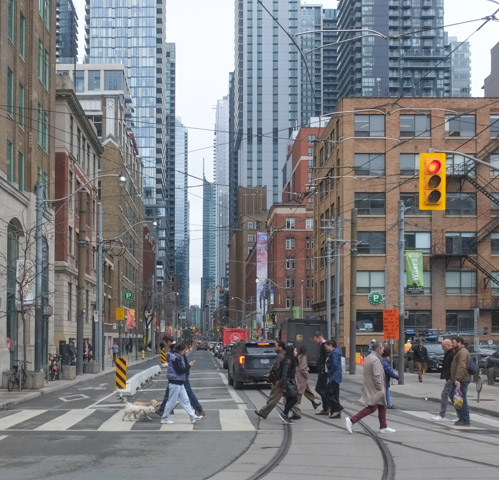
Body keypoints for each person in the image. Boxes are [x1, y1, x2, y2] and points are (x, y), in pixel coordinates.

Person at [345, 342, 396, 434]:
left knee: (382, 406)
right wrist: (380, 387)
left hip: (370, 386)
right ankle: (352, 420)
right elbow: (376, 375)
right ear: (378, 350)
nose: (383, 351)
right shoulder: (375, 360)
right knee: (372, 407)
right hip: (375, 388)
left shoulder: (369, 357)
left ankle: (383, 426)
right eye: (382, 349)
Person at [160, 343, 203, 425]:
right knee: (171, 401)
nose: (184, 352)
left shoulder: (179, 357)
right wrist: (189, 366)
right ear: (179, 351)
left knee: (186, 400)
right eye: (183, 351)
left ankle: (193, 417)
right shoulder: (175, 358)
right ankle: (164, 418)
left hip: (180, 382)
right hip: (175, 382)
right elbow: (180, 370)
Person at [254, 341, 292, 419]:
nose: (275, 348)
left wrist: (272, 375)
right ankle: (297, 413)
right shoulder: (284, 355)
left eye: (276, 346)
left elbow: (277, 368)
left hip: (279, 380)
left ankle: (263, 412)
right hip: (283, 379)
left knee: (274, 398)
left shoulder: (280, 356)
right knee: (290, 397)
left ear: (280, 347)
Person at [449, 336, 472, 426]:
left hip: (462, 379)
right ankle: (462, 417)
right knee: (455, 397)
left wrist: (457, 378)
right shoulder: (458, 352)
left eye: (453, 342)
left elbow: (461, 366)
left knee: (461, 399)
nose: (452, 344)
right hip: (458, 379)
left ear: (459, 343)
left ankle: (465, 419)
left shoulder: (462, 352)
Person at [294, 345, 321, 419]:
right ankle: (294, 407)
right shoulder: (304, 357)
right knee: (299, 392)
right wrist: (307, 373)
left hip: (299, 376)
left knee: (306, 390)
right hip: (302, 377)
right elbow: (303, 368)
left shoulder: (299, 356)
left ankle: (313, 402)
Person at [432, 339, 454, 421]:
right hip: (449, 377)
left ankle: (442, 414)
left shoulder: (452, 353)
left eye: (443, 346)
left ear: (449, 345)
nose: (442, 348)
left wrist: (451, 377)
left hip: (451, 377)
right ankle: (460, 415)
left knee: (445, 394)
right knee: (452, 396)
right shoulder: (448, 353)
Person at [279, 346, 299, 424]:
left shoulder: (291, 360)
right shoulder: (288, 361)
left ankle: (285, 414)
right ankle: (284, 413)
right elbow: (284, 373)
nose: (296, 352)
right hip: (288, 382)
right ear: (291, 352)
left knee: (290, 399)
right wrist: (284, 385)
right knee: (294, 399)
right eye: (295, 351)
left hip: (290, 381)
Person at [182, 349, 205, 416]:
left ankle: (199, 409)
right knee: (170, 394)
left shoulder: (176, 354)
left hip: (181, 376)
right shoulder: (177, 354)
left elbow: (181, 366)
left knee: (188, 392)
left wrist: (188, 366)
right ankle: (164, 409)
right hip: (178, 376)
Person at [325, 339, 343, 419]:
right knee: (335, 394)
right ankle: (335, 412)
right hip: (337, 375)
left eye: (327, 347)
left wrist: (330, 370)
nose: (326, 348)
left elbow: (334, 365)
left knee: (328, 393)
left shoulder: (334, 353)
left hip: (334, 376)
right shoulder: (336, 352)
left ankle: (338, 407)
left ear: (330, 345)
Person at [312, 331, 330, 416]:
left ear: (319, 337)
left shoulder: (325, 345)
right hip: (322, 369)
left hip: (323, 370)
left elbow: (327, 356)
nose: (315, 342)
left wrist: (323, 366)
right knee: (323, 389)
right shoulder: (322, 345)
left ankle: (328, 404)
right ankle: (325, 408)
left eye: (315, 340)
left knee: (319, 388)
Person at [158, 335, 175, 416]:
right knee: (170, 393)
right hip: (176, 375)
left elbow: (176, 360)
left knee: (186, 395)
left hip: (176, 376)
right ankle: (166, 408)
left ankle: (198, 409)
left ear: (168, 342)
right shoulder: (173, 348)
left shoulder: (174, 348)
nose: (165, 345)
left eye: (165, 343)